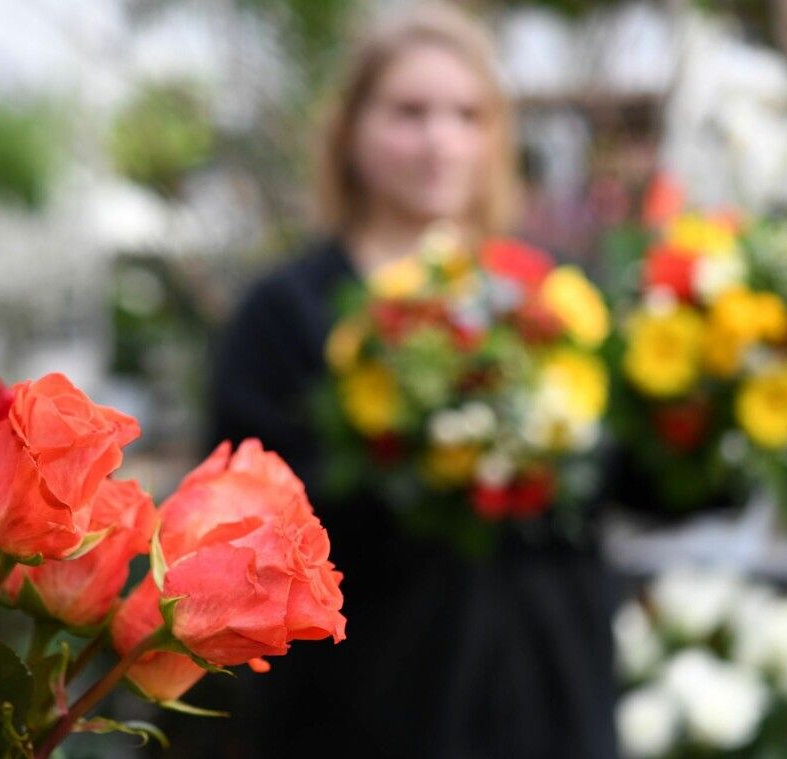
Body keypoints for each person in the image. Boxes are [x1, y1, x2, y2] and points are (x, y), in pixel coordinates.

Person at [206, 4, 618, 757]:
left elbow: (615, 482)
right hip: (362, 709)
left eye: (467, 115)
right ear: (351, 129)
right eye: (410, 112)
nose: (440, 141)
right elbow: (244, 522)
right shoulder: (287, 311)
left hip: (549, 703)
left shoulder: (549, 300)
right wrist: (418, 459)